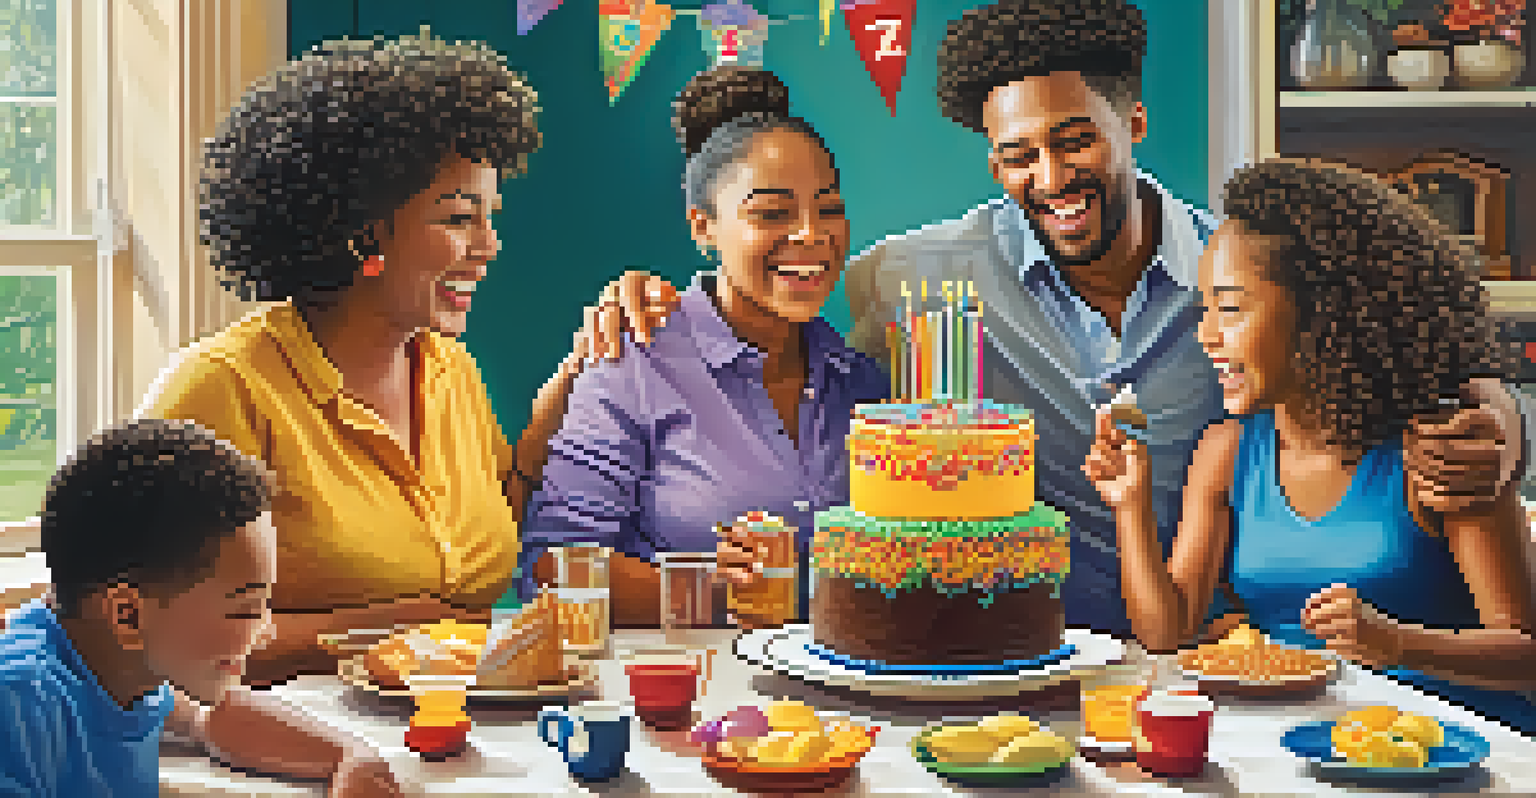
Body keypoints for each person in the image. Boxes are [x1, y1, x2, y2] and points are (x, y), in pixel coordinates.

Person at [585, 0, 1533, 639]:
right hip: (995, 660)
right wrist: (642, 300)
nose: (1050, 178)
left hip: (1199, 664)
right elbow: (767, 308)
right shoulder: (907, 279)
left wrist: (1499, 418)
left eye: (1076, 140)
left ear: (1134, 124)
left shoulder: (1241, 278)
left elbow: (1392, 355)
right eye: (1017, 155)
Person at [135, 34, 596, 685]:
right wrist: (386, 627)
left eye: (490, 216)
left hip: (451, 727)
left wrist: (559, 403)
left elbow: (471, 543)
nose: (489, 245)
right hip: (284, 738)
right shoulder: (222, 387)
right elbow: (156, 633)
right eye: (459, 219)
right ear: (362, 233)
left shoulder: (451, 371)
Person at [1086, 158, 1536, 733]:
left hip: (1454, 751)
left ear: (1321, 314)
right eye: (1205, 309)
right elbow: (1166, 631)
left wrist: (1396, 643)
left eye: (1230, 308)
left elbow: (1524, 654)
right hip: (1309, 748)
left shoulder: (1441, 453)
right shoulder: (1227, 452)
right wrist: (1130, 505)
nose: (1207, 336)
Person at [519, 67, 887, 627]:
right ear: (703, 227)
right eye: (772, 213)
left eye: (829, 208)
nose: (812, 235)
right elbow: (550, 569)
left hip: (837, 683)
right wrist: (711, 589)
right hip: (685, 680)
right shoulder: (636, 361)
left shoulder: (864, 386)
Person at [0, 419, 401, 796]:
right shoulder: (19, 702)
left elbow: (209, 718)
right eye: (245, 610)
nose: (266, 630)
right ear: (128, 615)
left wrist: (353, 756)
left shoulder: (116, 668)